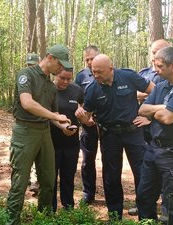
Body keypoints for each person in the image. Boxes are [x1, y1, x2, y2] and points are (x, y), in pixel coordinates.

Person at [75, 54, 154, 219]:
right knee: (111, 176)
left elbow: (154, 90)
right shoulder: (92, 89)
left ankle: (146, 217)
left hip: (134, 132)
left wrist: (149, 115)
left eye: (99, 72)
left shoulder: (128, 76)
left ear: (111, 69)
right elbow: (87, 118)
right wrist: (82, 117)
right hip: (109, 136)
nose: (95, 75)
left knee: (142, 173)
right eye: (93, 71)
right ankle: (115, 216)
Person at [6, 44, 72, 225]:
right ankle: (12, 221)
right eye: (60, 64)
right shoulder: (26, 75)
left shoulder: (51, 86)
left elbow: (53, 116)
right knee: (20, 182)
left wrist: (63, 126)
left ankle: (44, 218)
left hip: (44, 133)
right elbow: (27, 103)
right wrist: (54, 116)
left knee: (49, 181)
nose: (62, 69)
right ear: (49, 57)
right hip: (25, 133)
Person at [137, 46, 173, 225]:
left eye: (160, 66)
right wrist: (164, 106)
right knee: (144, 196)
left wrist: (161, 109)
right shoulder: (160, 86)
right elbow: (142, 110)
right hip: (153, 149)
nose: (155, 70)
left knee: (171, 203)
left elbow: (168, 118)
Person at [129, 39, 171, 216]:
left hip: (165, 133)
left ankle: (166, 210)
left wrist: (151, 116)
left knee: (167, 176)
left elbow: (172, 106)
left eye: (159, 52)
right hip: (144, 133)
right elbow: (136, 95)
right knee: (145, 171)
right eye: (153, 52)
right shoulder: (145, 72)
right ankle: (144, 206)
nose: (155, 57)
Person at [51, 69, 84, 212]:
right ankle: (49, 208)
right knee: (50, 177)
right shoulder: (48, 90)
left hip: (72, 142)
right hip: (51, 141)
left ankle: (68, 206)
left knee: (68, 175)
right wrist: (62, 126)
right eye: (62, 78)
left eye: (68, 79)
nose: (65, 82)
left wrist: (82, 116)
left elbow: (83, 109)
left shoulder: (77, 90)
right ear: (55, 74)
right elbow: (49, 113)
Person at [75, 45, 100, 204]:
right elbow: (75, 100)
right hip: (87, 124)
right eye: (87, 60)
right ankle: (88, 193)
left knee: (112, 162)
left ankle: (113, 196)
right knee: (87, 160)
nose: (90, 62)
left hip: (107, 124)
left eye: (92, 58)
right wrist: (85, 117)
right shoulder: (81, 76)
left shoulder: (109, 71)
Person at [25, 52, 41, 196]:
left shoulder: (43, 81)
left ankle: (36, 181)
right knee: (26, 154)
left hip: (40, 125)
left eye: (34, 65)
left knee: (38, 154)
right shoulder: (24, 79)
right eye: (29, 65)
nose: (31, 68)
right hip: (25, 126)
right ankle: (27, 179)